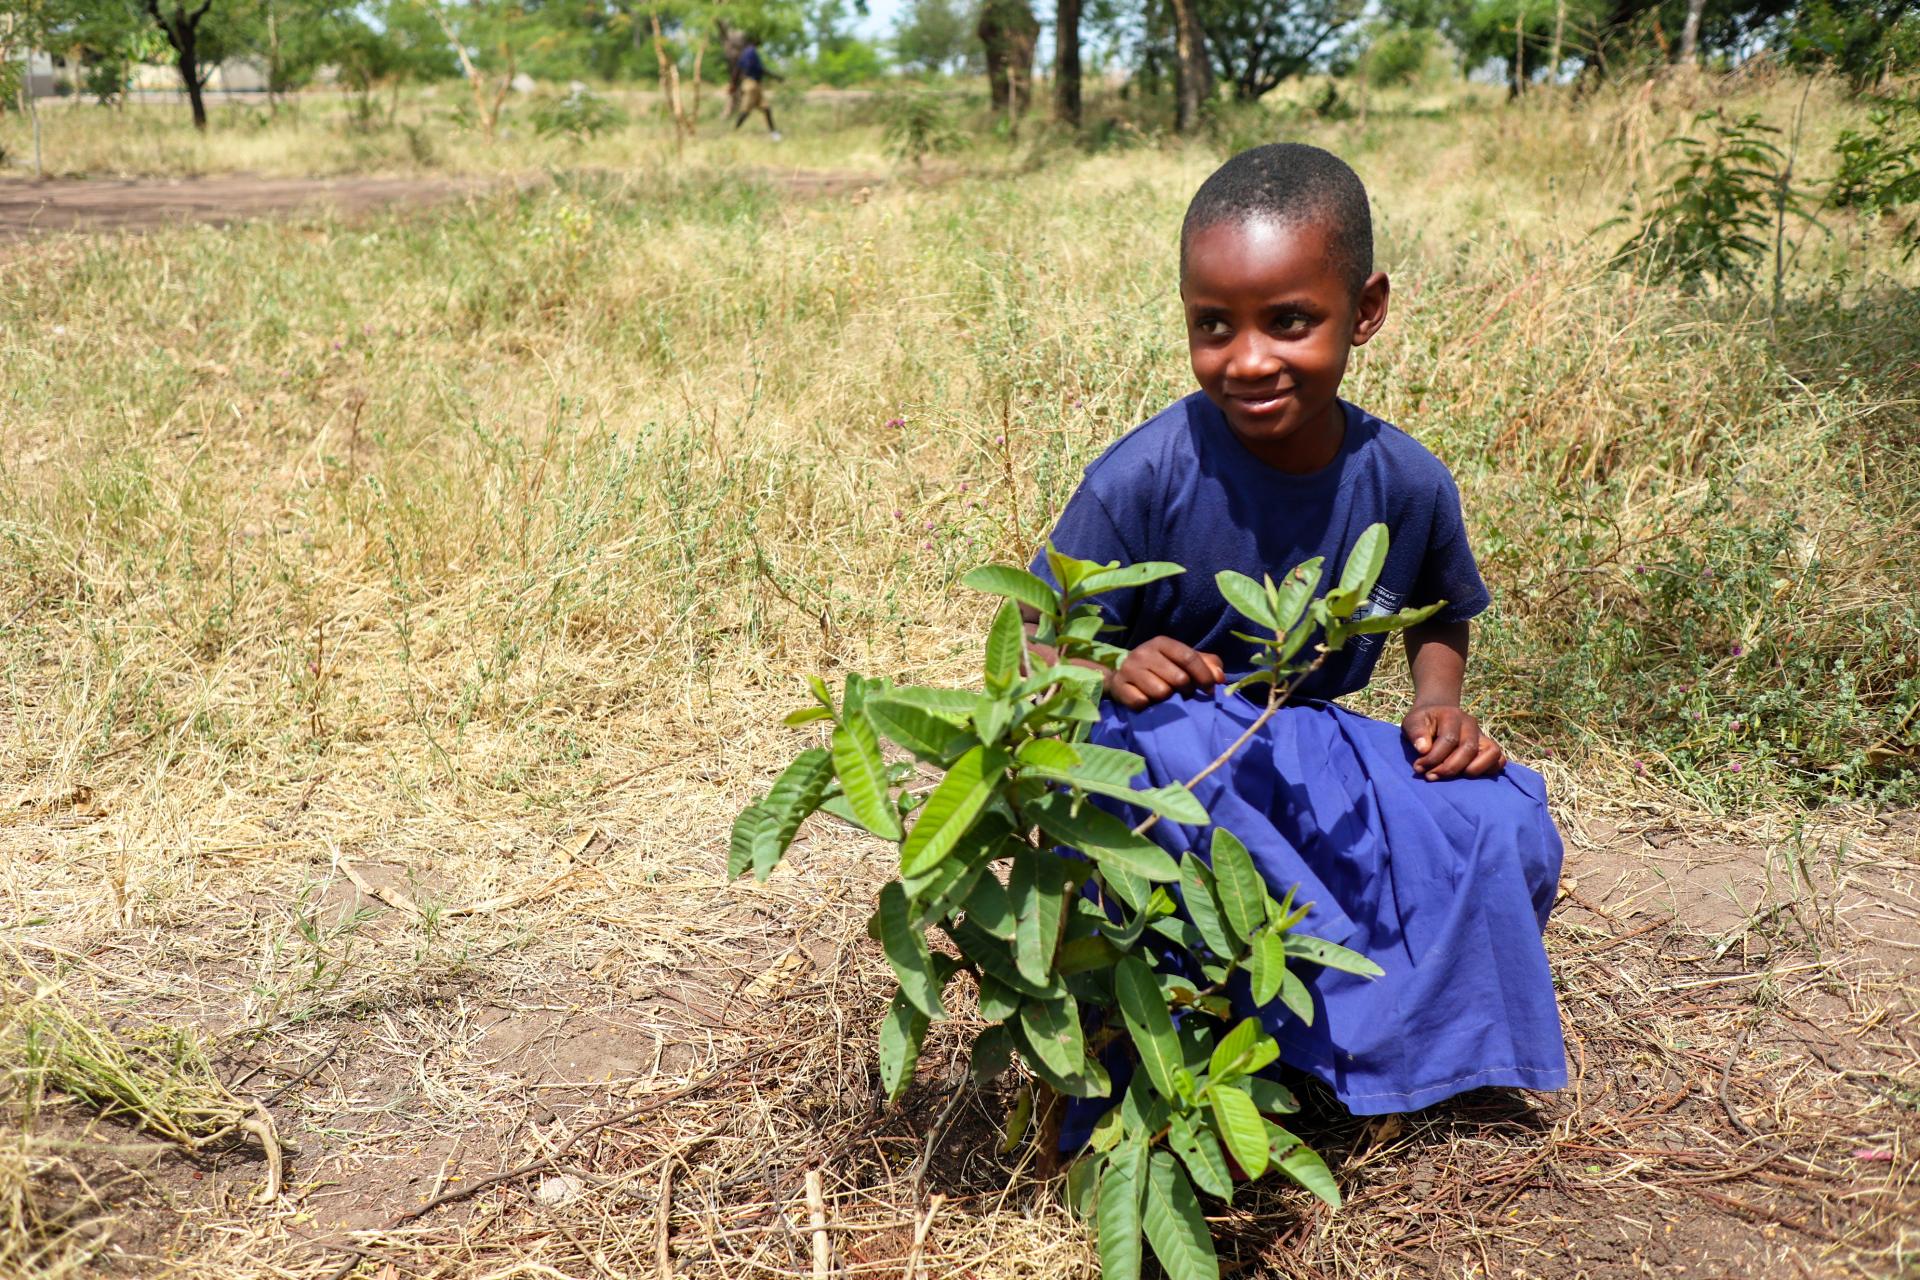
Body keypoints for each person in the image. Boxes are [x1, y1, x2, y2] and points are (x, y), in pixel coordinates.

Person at [1033, 143, 1568, 1135]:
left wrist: (1438, 704)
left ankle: (1405, 1049)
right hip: (1166, 747)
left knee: (1503, 816)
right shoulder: (1146, 474)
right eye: (1212, 325)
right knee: (1180, 767)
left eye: (1289, 321)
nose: (1247, 358)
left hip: (1306, 739)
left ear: (1364, 311)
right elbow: (1037, 634)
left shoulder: (1403, 478)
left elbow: (1440, 609)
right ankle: (1194, 1057)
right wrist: (1111, 662)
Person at [731, 37, 781, 141]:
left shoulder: (745, 53)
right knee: (745, 111)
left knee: (767, 109)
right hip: (751, 84)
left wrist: (733, 84)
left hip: (755, 84)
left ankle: (774, 133)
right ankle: (733, 133)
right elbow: (759, 68)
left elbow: (737, 69)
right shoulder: (751, 52)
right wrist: (775, 76)